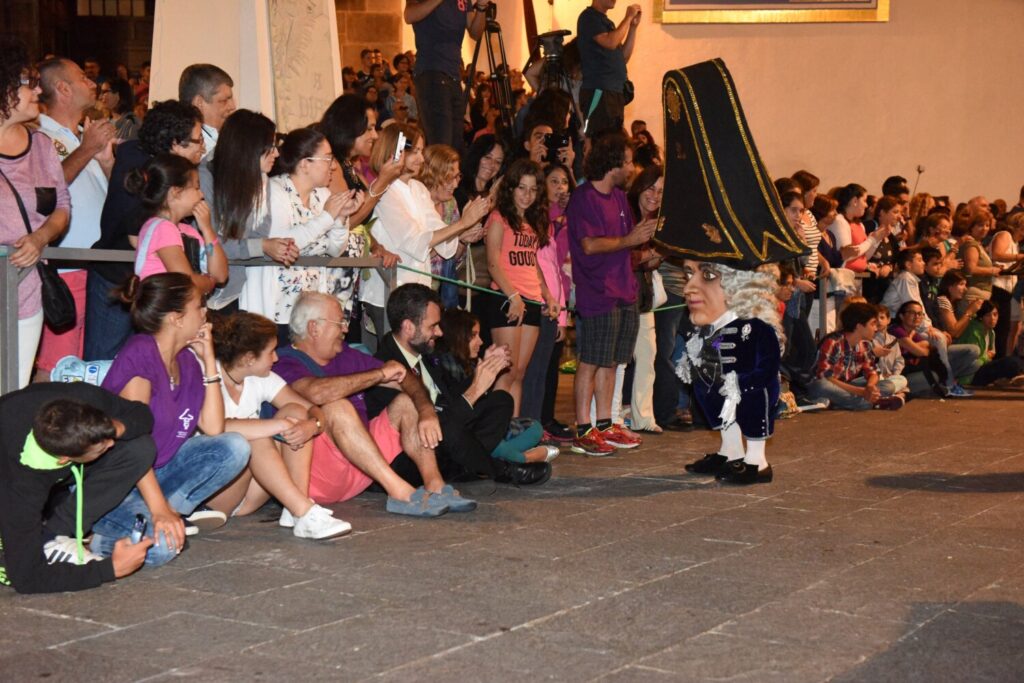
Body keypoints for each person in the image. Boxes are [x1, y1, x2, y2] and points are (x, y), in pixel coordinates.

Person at [92, 273, 251, 567]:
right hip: (114, 483)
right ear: (177, 318)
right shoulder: (140, 354)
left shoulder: (188, 360)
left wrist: (208, 359)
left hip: (155, 476)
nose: (206, 311)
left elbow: (214, 428)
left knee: (235, 447)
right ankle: (100, 537)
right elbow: (131, 447)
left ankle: (168, 515)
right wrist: (158, 509)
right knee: (163, 548)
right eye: (199, 306)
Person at [273, 291, 473, 517]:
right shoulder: (284, 361)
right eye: (340, 322)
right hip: (316, 477)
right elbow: (316, 393)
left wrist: (427, 411)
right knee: (337, 407)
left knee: (407, 402)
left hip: (360, 467)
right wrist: (377, 375)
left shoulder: (346, 355)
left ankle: (435, 485)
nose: (346, 329)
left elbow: (403, 376)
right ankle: (399, 492)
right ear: (313, 328)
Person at [369, 284, 552, 485]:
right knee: (447, 424)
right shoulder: (384, 367)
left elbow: (448, 397)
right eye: (432, 326)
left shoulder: (423, 353)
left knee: (501, 401)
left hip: (448, 441)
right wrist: (474, 390)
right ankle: (501, 469)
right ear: (408, 327)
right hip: (411, 457)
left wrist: (482, 373)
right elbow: (433, 423)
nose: (439, 332)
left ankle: (466, 467)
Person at [206, 312, 352, 539]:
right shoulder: (208, 375)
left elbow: (312, 409)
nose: (276, 359)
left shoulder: (261, 378)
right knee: (255, 435)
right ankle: (303, 510)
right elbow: (217, 427)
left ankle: (295, 510)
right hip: (216, 494)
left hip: (250, 494)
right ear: (248, 359)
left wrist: (312, 425)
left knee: (295, 412)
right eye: (270, 352)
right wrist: (277, 426)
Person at [0, 383, 155, 593]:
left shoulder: (79, 401)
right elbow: (27, 579)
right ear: (65, 459)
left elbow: (141, 413)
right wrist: (110, 569)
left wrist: (117, 427)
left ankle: (53, 535)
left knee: (139, 448)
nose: (110, 444)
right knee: (16, 560)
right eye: (101, 448)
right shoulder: (21, 485)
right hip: (11, 478)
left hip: (49, 458)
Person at [85, 100, 204, 361]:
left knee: (142, 364)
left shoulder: (137, 157)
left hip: (141, 282)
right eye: (197, 140)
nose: (203, 148)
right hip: (118, 277)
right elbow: (137, 237)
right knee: (104, 364)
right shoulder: (147, 170)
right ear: (175, 143)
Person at [360, 124, 490, 349]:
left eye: (422, 150)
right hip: (388, 293)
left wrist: (462, 232)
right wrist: (461, 224)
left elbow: (443, 244)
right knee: (391, 363)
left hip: (416, 294)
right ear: (397, 151)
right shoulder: (385, 190)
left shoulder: (418, 189)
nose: (422, 158)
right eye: (416, 151)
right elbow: (415, 242)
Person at [567, 132, 654, 456]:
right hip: (597, 291)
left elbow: (628, 241)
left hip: (623, 289)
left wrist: (643, 246)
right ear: (613, 163)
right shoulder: (584, 198)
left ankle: (605, 422)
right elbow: (590, 245)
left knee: (613, 361)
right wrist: (631, 240)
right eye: (628, 161)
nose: (632, 168)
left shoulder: (619, 197)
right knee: (590, 360)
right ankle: (582, 427)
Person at [34, 57, 116, 380]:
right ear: (63, 88)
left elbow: (106, 202)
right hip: (65, 267)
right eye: (84, 77)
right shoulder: (41, 137)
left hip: (94, 267)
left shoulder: (81, 135)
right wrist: (86, 150)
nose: (93, 83)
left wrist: (107, 164)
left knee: (84, 365)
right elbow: (47, 192)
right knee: (56, 365)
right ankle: (32, 428)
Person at [241, 126, 361, 341]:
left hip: (311, 308)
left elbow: (336, 249)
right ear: (305, 164)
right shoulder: (275, 191)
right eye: (327, 159)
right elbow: (284, 244)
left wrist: (341, 219)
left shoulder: (323, 195)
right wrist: (327, 217)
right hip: (277, 306)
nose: (333, 166)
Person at [0, 41, 71, 388]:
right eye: (28, 82)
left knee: (12, 389)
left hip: (27, 291)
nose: (38, 89)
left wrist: (42, 237)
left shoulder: (41, 147)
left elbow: (62, 207)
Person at [676, 261, 786, 483]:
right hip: (720, 384)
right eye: (689, 274)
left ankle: (758, 462)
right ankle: (731, 452)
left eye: (707, 275)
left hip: (751, 386)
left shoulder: (756, 326)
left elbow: (767, 364)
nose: (688, 288)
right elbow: (711, 349)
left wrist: (742, 383)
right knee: (713, 403)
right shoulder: (709, 325)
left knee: (751, 409)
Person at [201, 109, 298, 313]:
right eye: (270, 147)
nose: (277, 153)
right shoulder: (205, 178)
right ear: (249, 148)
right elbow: (211, 243)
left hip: (235, 290)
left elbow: (259, 235)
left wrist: (275, 247)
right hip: (203, 287)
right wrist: (262, 246)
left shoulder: (260, 181)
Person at [482, 158, 559, 415]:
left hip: (532, 300)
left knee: (519, 373)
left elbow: (532, 262)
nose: (527, 195)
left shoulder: (533, 221)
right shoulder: (498, 217)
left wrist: (547, 293)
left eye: (533, 189)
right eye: (521, 188)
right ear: (511, 188)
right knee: (505, 372)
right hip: (507, 299)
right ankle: (498, 432)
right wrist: (513, 296)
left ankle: (513, 430)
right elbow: (493, 263)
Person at [432, 307, 558, 463]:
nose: (481, 341)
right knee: (493, 443)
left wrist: (490, 367)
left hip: (479, 431)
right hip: (461, 432)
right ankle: (524, 458)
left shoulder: (468, 363)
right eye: (474, 335)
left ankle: (498, 455)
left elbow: (489, 407)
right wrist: (483, 372)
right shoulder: (444, 363)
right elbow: (460, 409)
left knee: (534, 428)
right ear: (458, 335)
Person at [521, 163, 574, 440]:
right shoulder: (535, 221)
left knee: (546, 369)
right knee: (533, 370)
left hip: (554, 302)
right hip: (537, 301)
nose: (560, 187)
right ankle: (531, 424)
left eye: (564, 181)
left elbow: (557, 269)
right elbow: (537, 268)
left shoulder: (558, 225)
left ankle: (540, 422)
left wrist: (562, 314)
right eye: (553, 181)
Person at [128, 153, 228, 295]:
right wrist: (209, 282)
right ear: (176, 192)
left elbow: (221, 275)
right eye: (196, 187)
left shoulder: (187, 230)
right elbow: (186, 281)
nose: (201, 195)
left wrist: (207, 229)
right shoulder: (161, 228)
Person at [404, 0, 488, 150]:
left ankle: (446, 171)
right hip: (431, 72)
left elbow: (476, 33)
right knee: (441, 142)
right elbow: (409, 16)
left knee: (455, 144)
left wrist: (481, 7)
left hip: (454, 75)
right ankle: (438, 171)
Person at [624, 164, 665, 432]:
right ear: (640, 187)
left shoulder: (659, 220)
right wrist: (646, 257)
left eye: (660, 191)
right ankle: (612, 416)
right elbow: (618, 254)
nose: (655, 195)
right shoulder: (625, 214)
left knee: (648, 357)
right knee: (617, 362)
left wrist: (655, 256)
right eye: (651, 188)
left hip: (644, 298)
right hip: (622, 296)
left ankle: (644, 417)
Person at [807, 301, 904, 411]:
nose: (876, 329)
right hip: (827, 385)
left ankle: (839, 402)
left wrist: (870, 386)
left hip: (847, 386)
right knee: (822, 386)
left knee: (888, 385)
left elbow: (872, 372)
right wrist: (861, 392)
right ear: (859, 326)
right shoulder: (833, 342)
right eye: (872, 324)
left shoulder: (865, 344)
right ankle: (872, 402)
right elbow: (826, 377)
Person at [420, 144, 483, 309]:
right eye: (449, 178)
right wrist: (460, 231)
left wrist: (463, 240)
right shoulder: (416, 202)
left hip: (437, 292)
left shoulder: (450, 204)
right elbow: (421, 251)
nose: (455, 185)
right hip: (412, 287)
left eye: (457, 177)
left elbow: (451, 258)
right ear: (431, 174)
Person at [577, 0, 641, 138]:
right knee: (600, 141)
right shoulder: (588, 17)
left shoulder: (607, 23)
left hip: (614, 92)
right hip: (599, 91)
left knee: (613, 142)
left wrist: (633, 27)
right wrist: (628, 17)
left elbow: (623, 58)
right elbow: (610, 42)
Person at [957, 301, 1024, 386]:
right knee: (1010, 362)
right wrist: (986, 357)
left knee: (1016, 360)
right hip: (970, 374)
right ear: (981, 317)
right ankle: (1016, 376)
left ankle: (1014, 377)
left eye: (995, 314)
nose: (992, 318)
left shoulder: (991, 332)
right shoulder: (973, 331)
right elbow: (972, 362)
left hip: (981, 368)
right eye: (988, 315)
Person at [178, 64, 235, 160]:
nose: (232, 106)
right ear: (199, 103)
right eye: (224, 101)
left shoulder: (226, 137)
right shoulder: (187, 151)